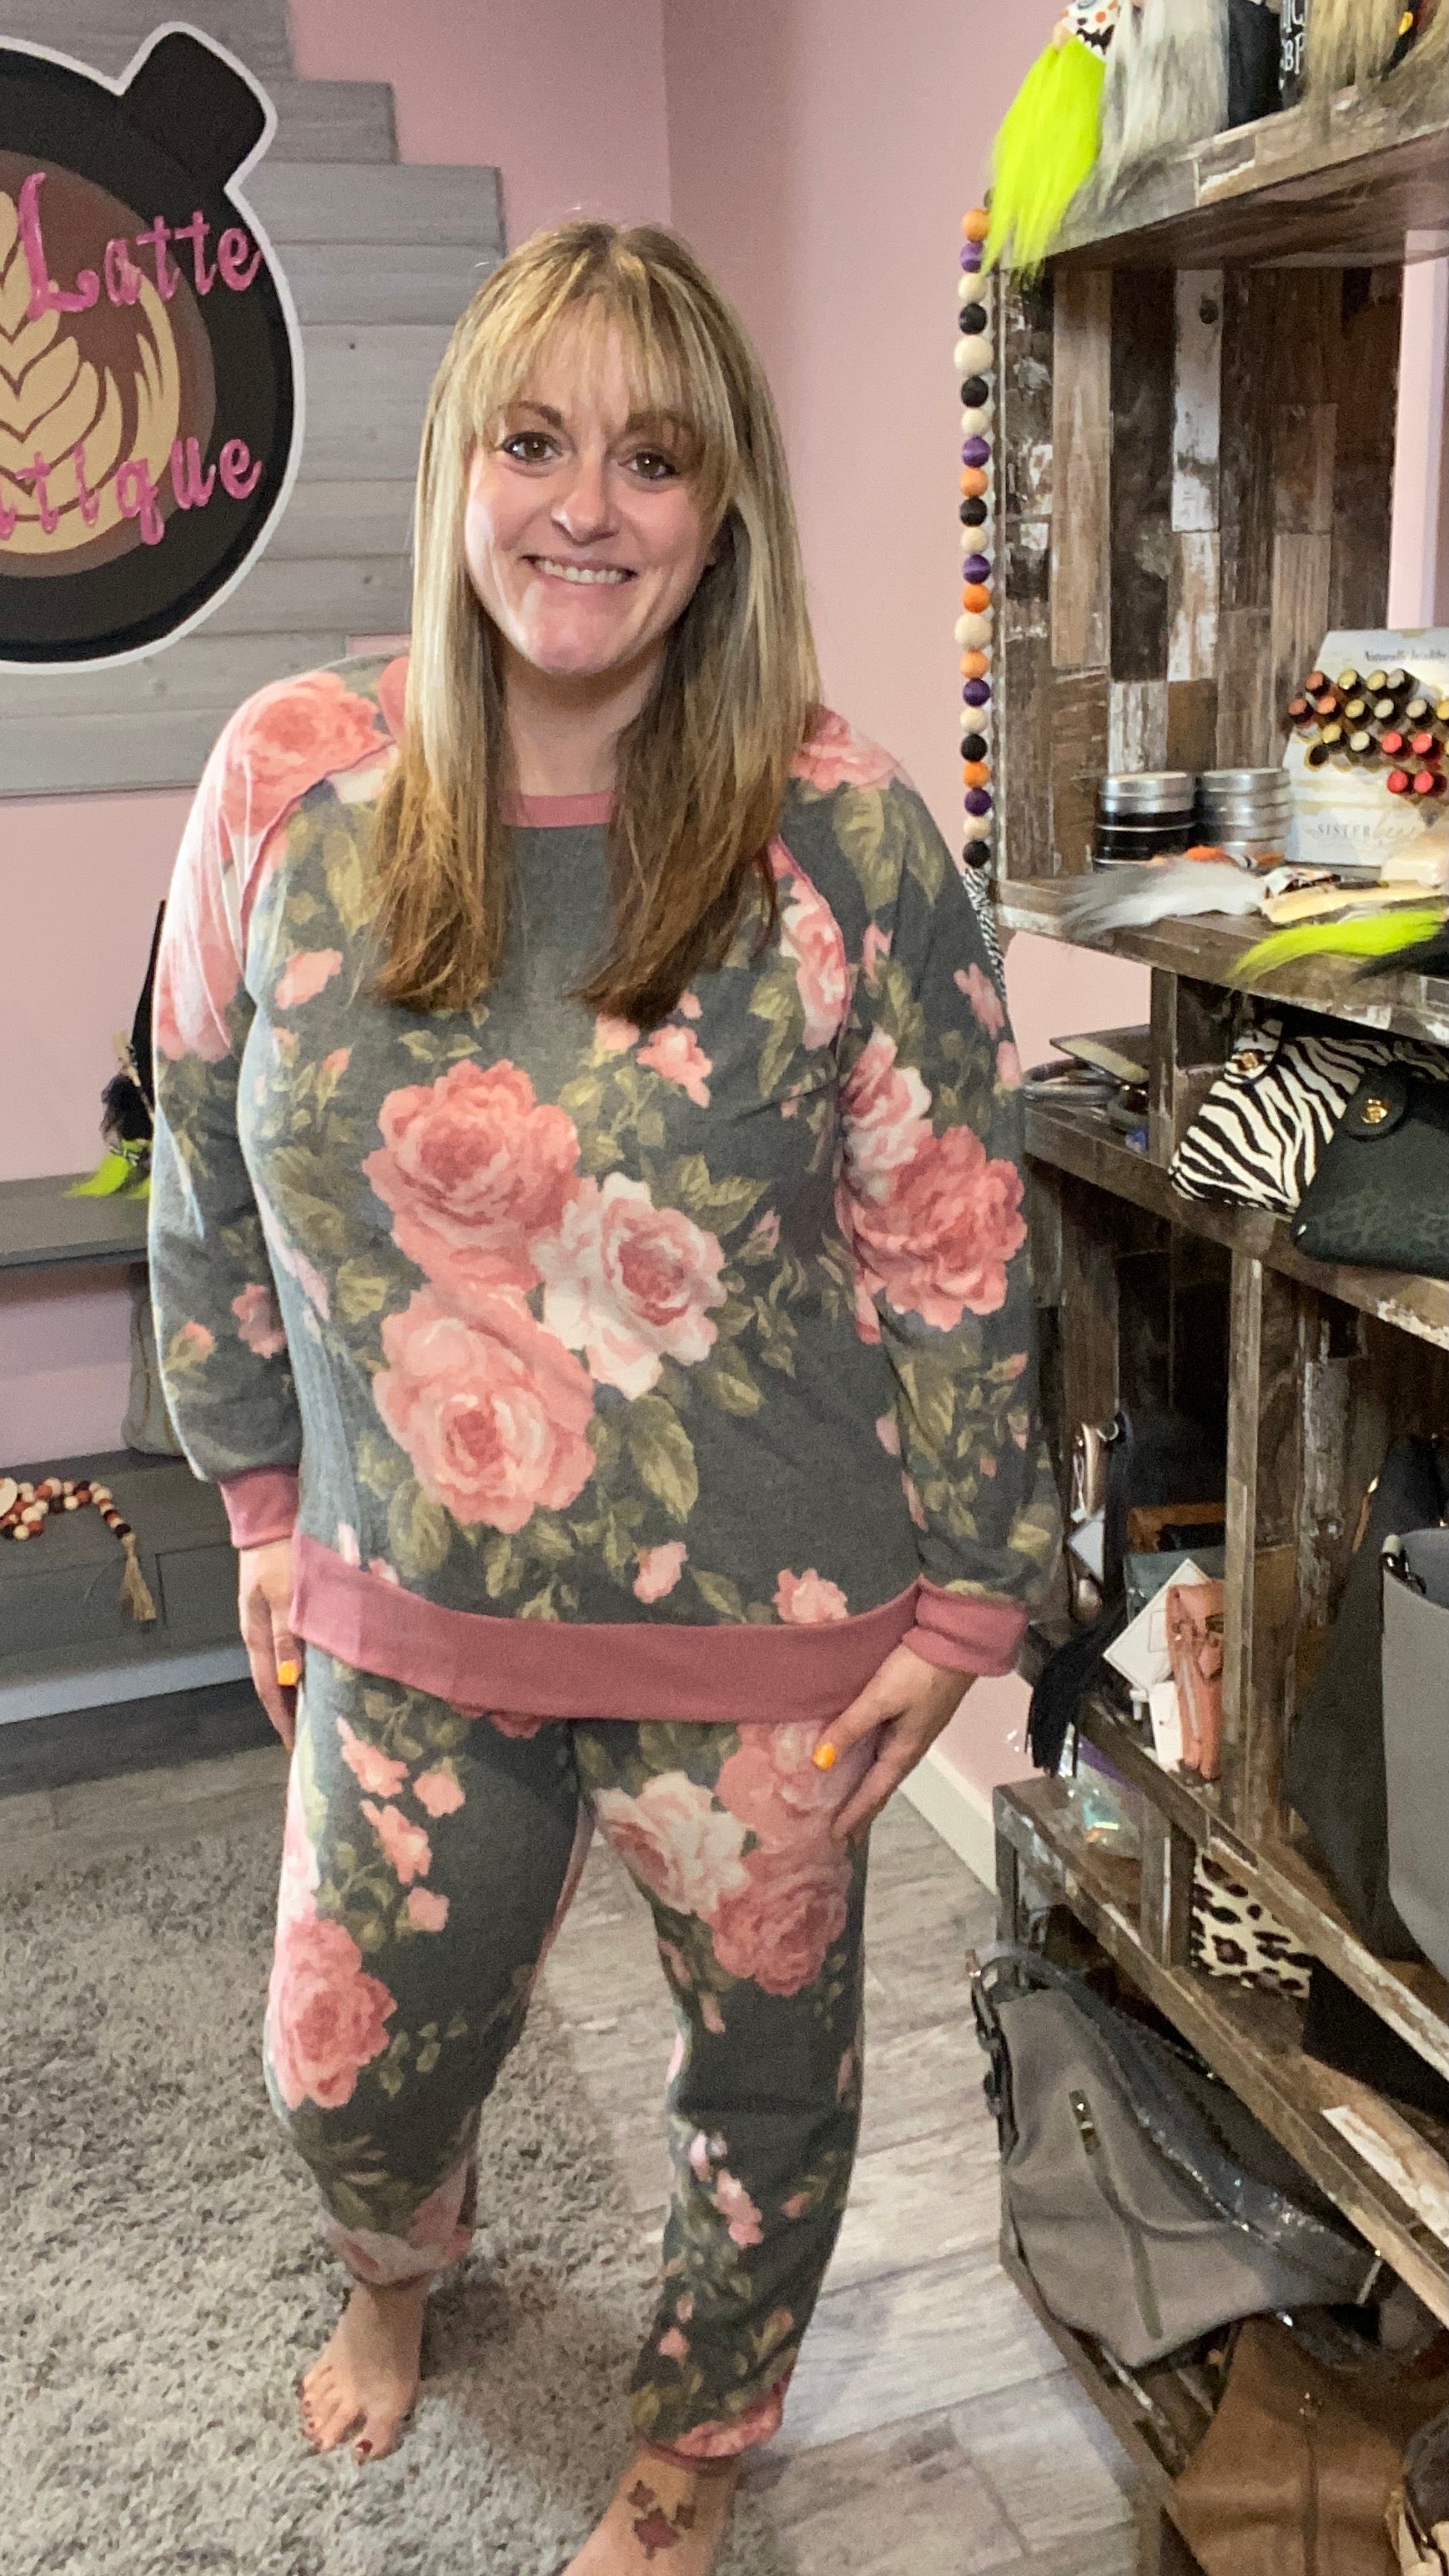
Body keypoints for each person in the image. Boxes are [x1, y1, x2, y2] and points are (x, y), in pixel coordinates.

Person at [149, 219, 1059, 2574]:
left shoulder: (842, 829)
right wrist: (257, 1501)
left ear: (721, 504)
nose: (586, 507)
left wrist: (975, 1595)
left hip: (768, 1621)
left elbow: (953, 1226)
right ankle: (399, 2270)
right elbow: (205, 1163)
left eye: (652, 458)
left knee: (763, 2092)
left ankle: (694, 2453)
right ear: (456, 466)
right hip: (399, 1593)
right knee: (345, 2073)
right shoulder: (292, 782)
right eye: (535, 442)